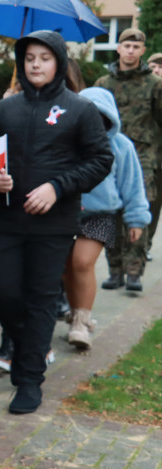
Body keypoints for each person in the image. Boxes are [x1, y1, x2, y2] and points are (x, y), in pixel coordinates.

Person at [0, 30, 112, 414]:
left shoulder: (80, 109)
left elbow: (101, 160)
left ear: (59, 63)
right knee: (1, 291)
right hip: (6, 220)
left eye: (44, 57)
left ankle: (29, 379)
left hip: (53, 225)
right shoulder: (6, 109)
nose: (35, 64)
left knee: (40, 300)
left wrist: (57, 187)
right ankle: (25, 349)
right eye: (29, 58)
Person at [64, 87, 150, 350]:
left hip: (101, 214)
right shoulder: (65, 140)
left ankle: (82, 321)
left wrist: (136, 219)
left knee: (82, 263)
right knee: (66, 266)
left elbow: (133, 184)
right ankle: (74, 312)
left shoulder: (120, 145)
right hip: (66, 213)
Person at [93, 28, 162, 291]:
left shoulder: (155, 85)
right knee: (110, 211)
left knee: (137, 212)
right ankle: (115, 270)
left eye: (136, 47)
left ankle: (134, 271)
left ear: (143, 51)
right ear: (118, 49)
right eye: (126, 46)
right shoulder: (103, 84)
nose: (131, 51)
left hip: (144, 155)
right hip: (109, 155)